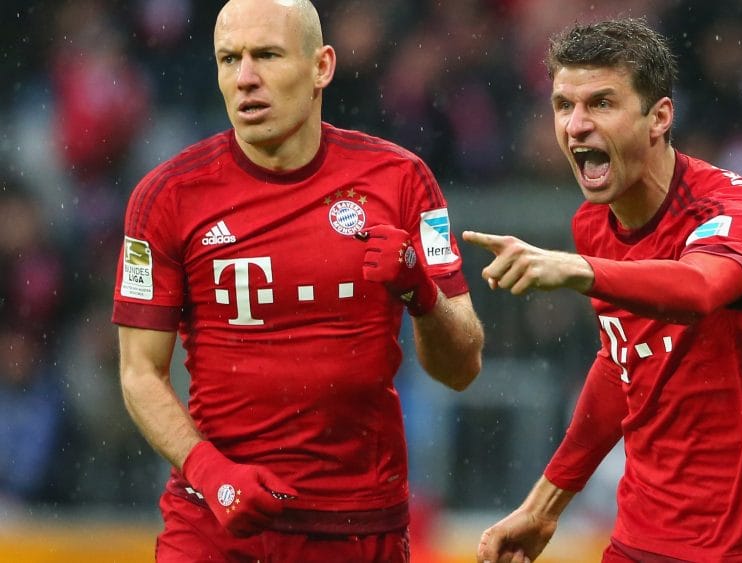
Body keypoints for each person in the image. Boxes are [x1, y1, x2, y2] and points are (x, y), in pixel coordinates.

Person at [465, 17, 742, 563]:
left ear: (659, 117)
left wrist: (580, 270)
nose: (576, 125)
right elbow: (623, 360)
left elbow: (698, 287)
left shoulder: (741, 213)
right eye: (564, 105)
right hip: (653, 539)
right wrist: (545, 504)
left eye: (601, 103)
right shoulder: (593, 226)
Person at [112, 1, 484, 561]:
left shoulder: (401, 181)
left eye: (266, 55)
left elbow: (462, 368)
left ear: (322, 67)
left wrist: (421, 293)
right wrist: (209, 471)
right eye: (228, 59)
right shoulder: (167, 197)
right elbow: (139, 371)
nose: (245, 79)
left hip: (358, 527)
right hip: (215, 521)